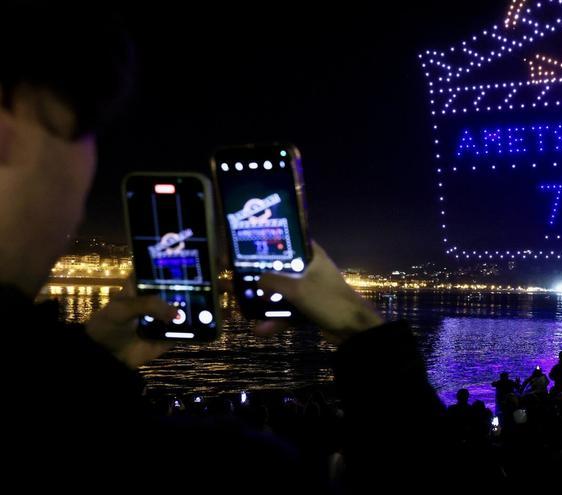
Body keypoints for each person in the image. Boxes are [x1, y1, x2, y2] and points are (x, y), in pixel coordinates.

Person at [1, 6, 453, 490]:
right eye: (87, 126)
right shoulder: (233, 473)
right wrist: (367, 338)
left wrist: (85, 373)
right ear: (14, 126)